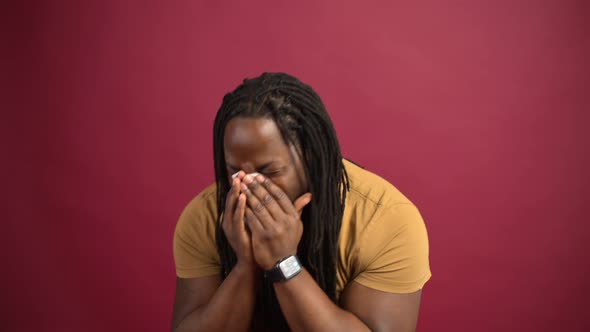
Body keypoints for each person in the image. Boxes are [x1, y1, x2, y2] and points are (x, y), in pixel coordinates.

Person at [171, 72, 431, 332]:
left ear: (310, 159)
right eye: (235, 172)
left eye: (269, 172)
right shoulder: (205, 216)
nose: (248, 186)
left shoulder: (387, 220)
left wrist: (282, 262)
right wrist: (245, 266)